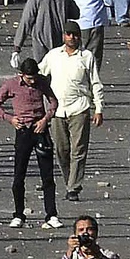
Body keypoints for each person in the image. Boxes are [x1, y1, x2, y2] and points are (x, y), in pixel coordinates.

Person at [0, 57, 60, 229]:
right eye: (29, 78)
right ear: (21, 75)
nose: (32, 80)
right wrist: (10, 119)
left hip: (40, 128)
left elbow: (53, 102)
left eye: (35, 76)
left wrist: (46, 119)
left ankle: (51, 215)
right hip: (22, 130)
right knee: (19, 174)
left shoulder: (42, 82)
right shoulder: (11, 84)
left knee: (47, 175)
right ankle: (19, 214)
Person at [39, 21, 104, 203]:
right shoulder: (53, 55)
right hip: (58, 110)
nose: (72, 38)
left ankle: (73, 187)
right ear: (64, 36)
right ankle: (69, 180)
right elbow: (39, 73)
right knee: (61, 150)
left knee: (79, 150)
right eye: (69, 34)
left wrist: (99, 108)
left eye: (75, 35)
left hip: (80, 107)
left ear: (79, 37)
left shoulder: (87, 56)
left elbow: (96, 83)